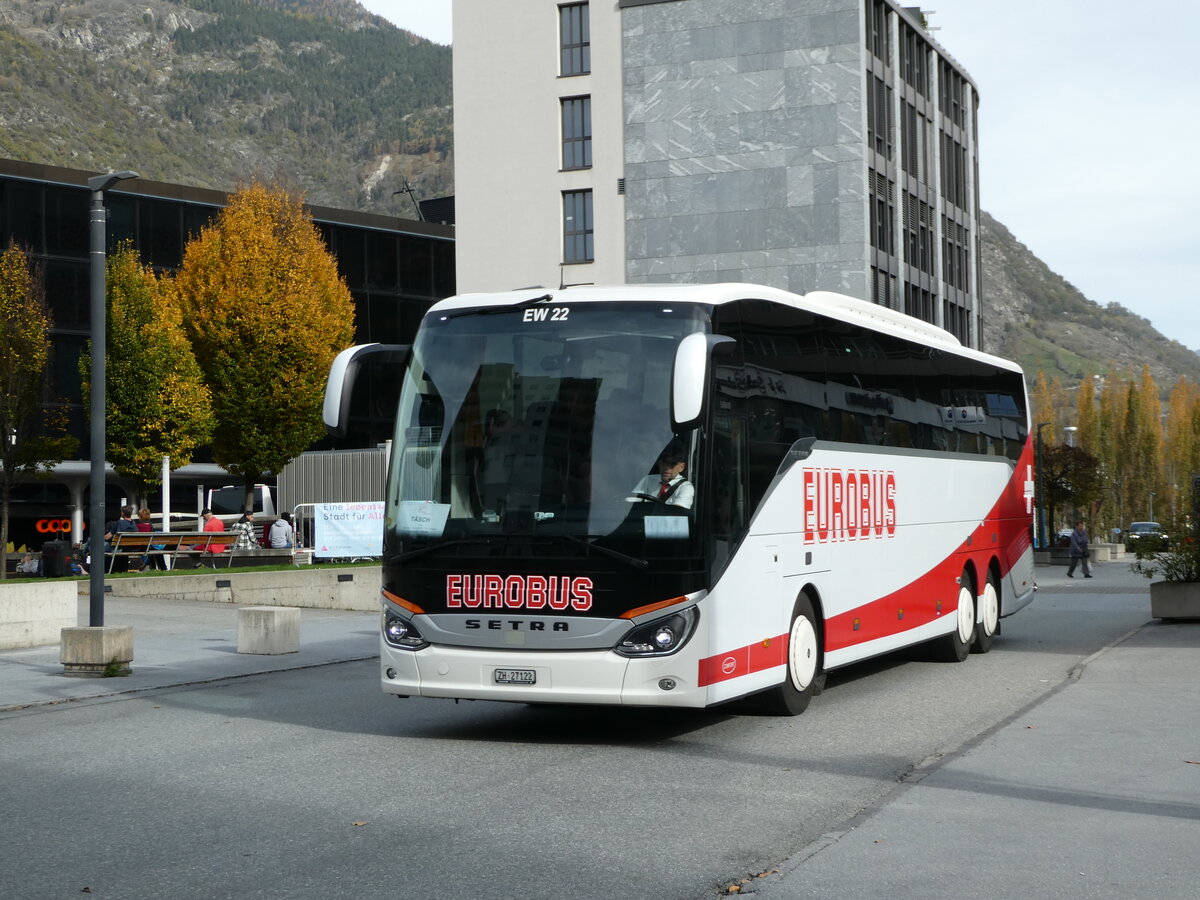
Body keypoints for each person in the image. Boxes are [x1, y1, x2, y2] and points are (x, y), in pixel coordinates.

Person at [628, 444, 694, 510]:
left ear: (681, 467)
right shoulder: (648, 480)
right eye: (664, 463)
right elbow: (631, 502)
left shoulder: (685, 487)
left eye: (672, 465)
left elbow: (678, 512)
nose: (666, 468)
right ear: (659, 463)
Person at [104, 505, 138, 573]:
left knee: (101, 546)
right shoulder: (134, 524)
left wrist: (99, 537)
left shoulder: (119, 522)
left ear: (122, 513)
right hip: (129, 548)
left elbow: (108, 537)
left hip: (118, 547)